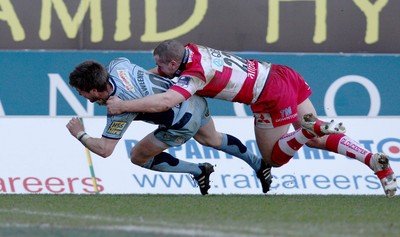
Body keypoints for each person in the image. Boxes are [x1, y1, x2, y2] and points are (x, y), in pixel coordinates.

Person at [106, 40, 397, 197]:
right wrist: (143, 76)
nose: (156, 70)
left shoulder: (193, 74)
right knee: (321, 139)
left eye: (160, 66)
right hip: (282, 73)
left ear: (173, 62)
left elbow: (167, 100)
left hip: (269, 95)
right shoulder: (191, 50)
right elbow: (162, 74)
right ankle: (374, 162)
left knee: (273, 158)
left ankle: (308, 130)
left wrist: (123, 105)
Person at [66, 57, 270, 195]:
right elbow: (141, 77)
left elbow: (105, 150)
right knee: (212, 139)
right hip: (190, 96)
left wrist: (79, 134)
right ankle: (258, 163)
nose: (81, 95)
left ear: (94, 91)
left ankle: (198, 171)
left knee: (138, 156)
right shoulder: (118, 64)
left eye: (81, 92)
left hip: (182, 123)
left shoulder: (119, 109)